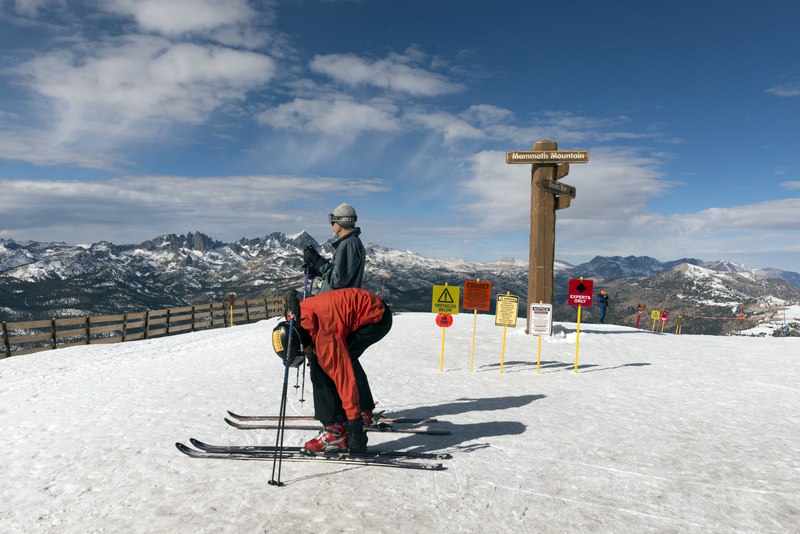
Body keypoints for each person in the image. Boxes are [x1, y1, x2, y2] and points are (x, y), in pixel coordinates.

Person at [271, 287, 392, 454]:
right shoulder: (294, 318)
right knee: (325, 361)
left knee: (324, 367)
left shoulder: (326, 340)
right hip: (360, 310)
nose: (304, 357)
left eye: (301, 355)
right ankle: (362, 411)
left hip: (376, 319)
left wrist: (355, 428)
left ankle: (336, 431)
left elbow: (345, 380)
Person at [302, 203, 365, 292]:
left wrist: (317, 261)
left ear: (341, 221)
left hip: (338, 302)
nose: (332, 224)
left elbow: (337, 281)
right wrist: (319, 270)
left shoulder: (349, 244)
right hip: (338, 300)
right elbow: (341, 274)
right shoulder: (350, 242)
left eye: (332, 221)